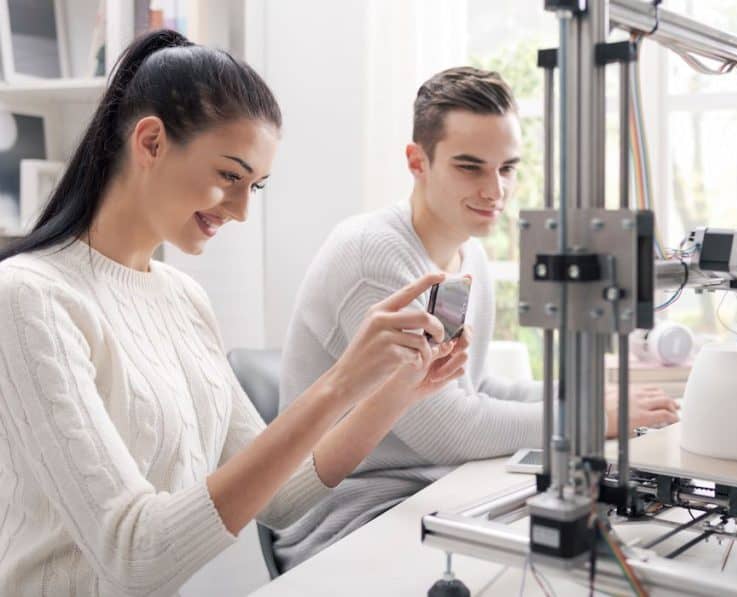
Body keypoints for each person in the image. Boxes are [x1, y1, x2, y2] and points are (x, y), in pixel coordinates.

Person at [0, 31, 467, 597]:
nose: (242, 210)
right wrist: (341, 381)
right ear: (150, 142)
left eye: (255, 187)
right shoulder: (30, 297)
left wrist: (393, 390)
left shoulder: (182, 298)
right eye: (230, 176)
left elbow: (283, 498)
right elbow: (135, 556)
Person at [274, 66, 679, 570]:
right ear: (416, 161)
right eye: (470, 167)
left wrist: (592, 398)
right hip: (352, 516)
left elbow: (476, 387)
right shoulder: (373, 255)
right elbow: (451, 429)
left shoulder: (470, 256)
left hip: (437, 490)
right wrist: (588, 417)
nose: (495, 191)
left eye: (507, 168)